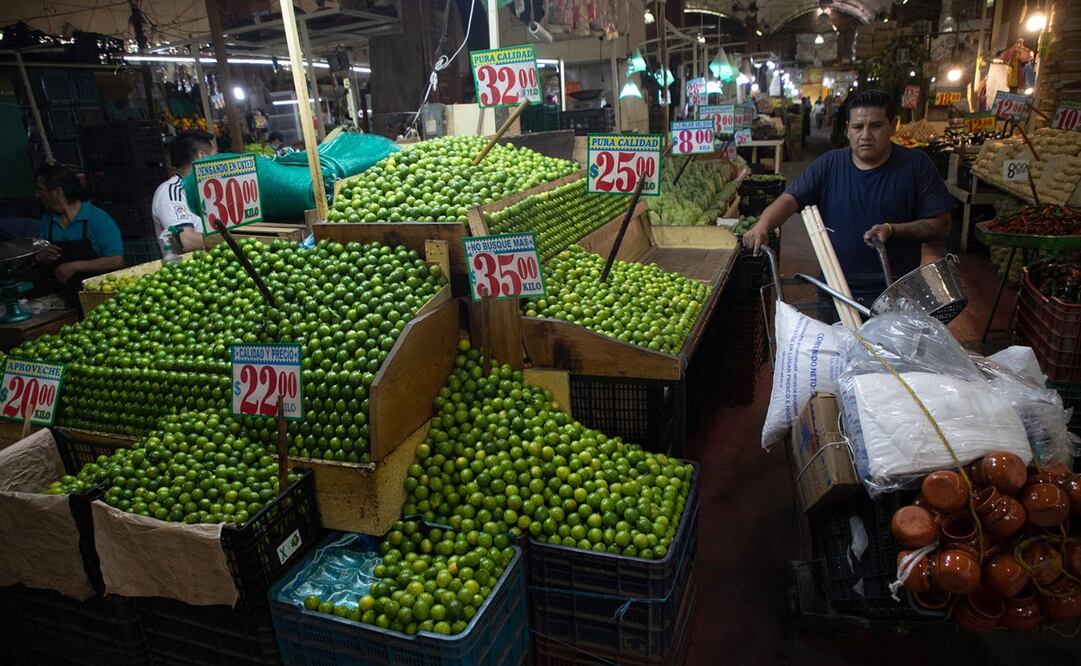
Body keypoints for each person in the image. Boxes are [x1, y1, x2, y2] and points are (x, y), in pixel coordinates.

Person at [743, 90, 955, 315]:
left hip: (896, 295)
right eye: (857, 127)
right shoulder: (829, 164)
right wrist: (763, 225)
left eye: (876, 126)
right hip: (835, 292)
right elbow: (789, 199)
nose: (865, 135)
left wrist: (893, 230)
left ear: (892, 126)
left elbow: (941, 224)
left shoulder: (916, 165)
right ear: (847, 129)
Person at [34, 164, 124, 305]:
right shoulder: (47, 221)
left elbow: (115, 260)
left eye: (41, 189)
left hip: (99, 297)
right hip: (65, 298)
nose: (38, 195)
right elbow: (43, 260)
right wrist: (43, 257)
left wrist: (74, 267)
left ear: (57, 192)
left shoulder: (97, 219)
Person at [153, 129, 215, 261]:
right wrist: (234, 239)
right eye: (214, 157)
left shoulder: (205, 189)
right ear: (202, 156)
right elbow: (185, 241)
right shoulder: (171, 192)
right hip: (192, 269)